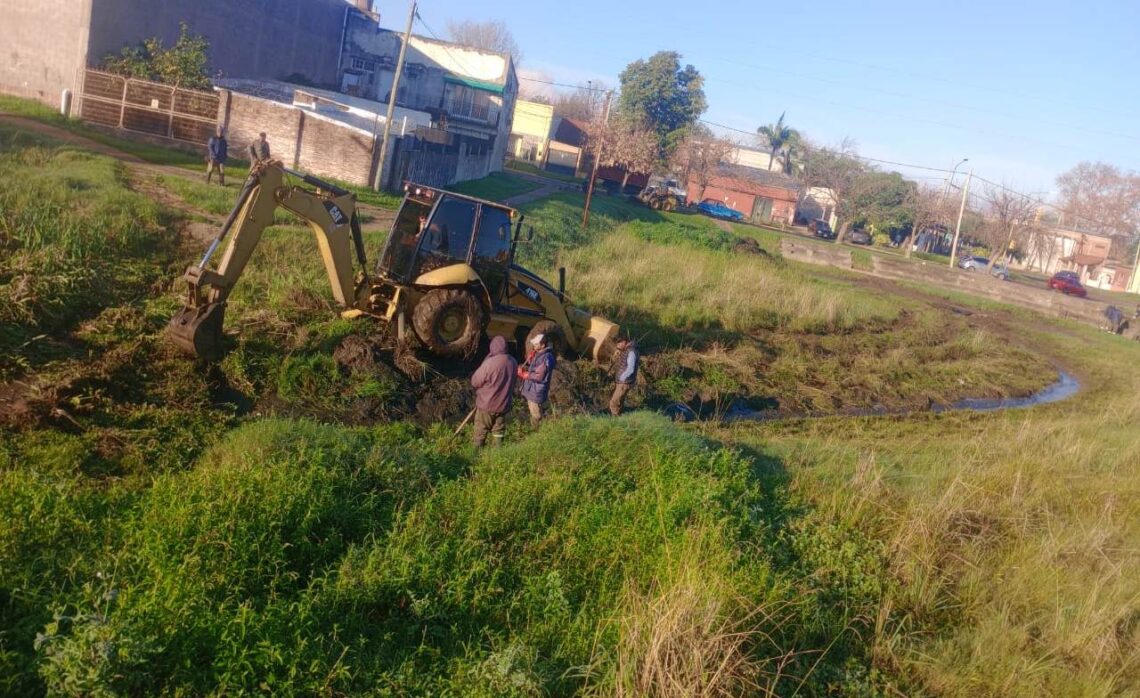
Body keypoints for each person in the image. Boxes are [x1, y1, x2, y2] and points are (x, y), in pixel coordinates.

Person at [470, 335, 517, 447]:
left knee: (480, 430)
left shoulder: (489, 363)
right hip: (503, 405)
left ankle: (476, 456)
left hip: (487, 405)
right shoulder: (513, 362)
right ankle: (497, 453)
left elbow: (475, 382)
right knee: (498, 430)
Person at [518, 333, 555, 426]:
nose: (534, 346)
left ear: (542, 345)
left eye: (536, 344)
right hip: (533, 389)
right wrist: (532, 358)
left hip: (536, 391)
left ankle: (537, 432)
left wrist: (524, 374)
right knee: (533, 410)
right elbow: (536, 367)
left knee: (536, 415)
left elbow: (539, 376)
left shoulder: (546, 357)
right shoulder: (540, 354)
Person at [609, 337, 639, 416]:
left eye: (619, 344)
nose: (617, 346)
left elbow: (630, 369)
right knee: (619, 402)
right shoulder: (627, 350)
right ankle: (620, 419)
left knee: (614, 403)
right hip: (623, 382)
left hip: (624, 382)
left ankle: (615, 422)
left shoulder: (631, 352)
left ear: (624, 342)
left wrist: (622, 377)